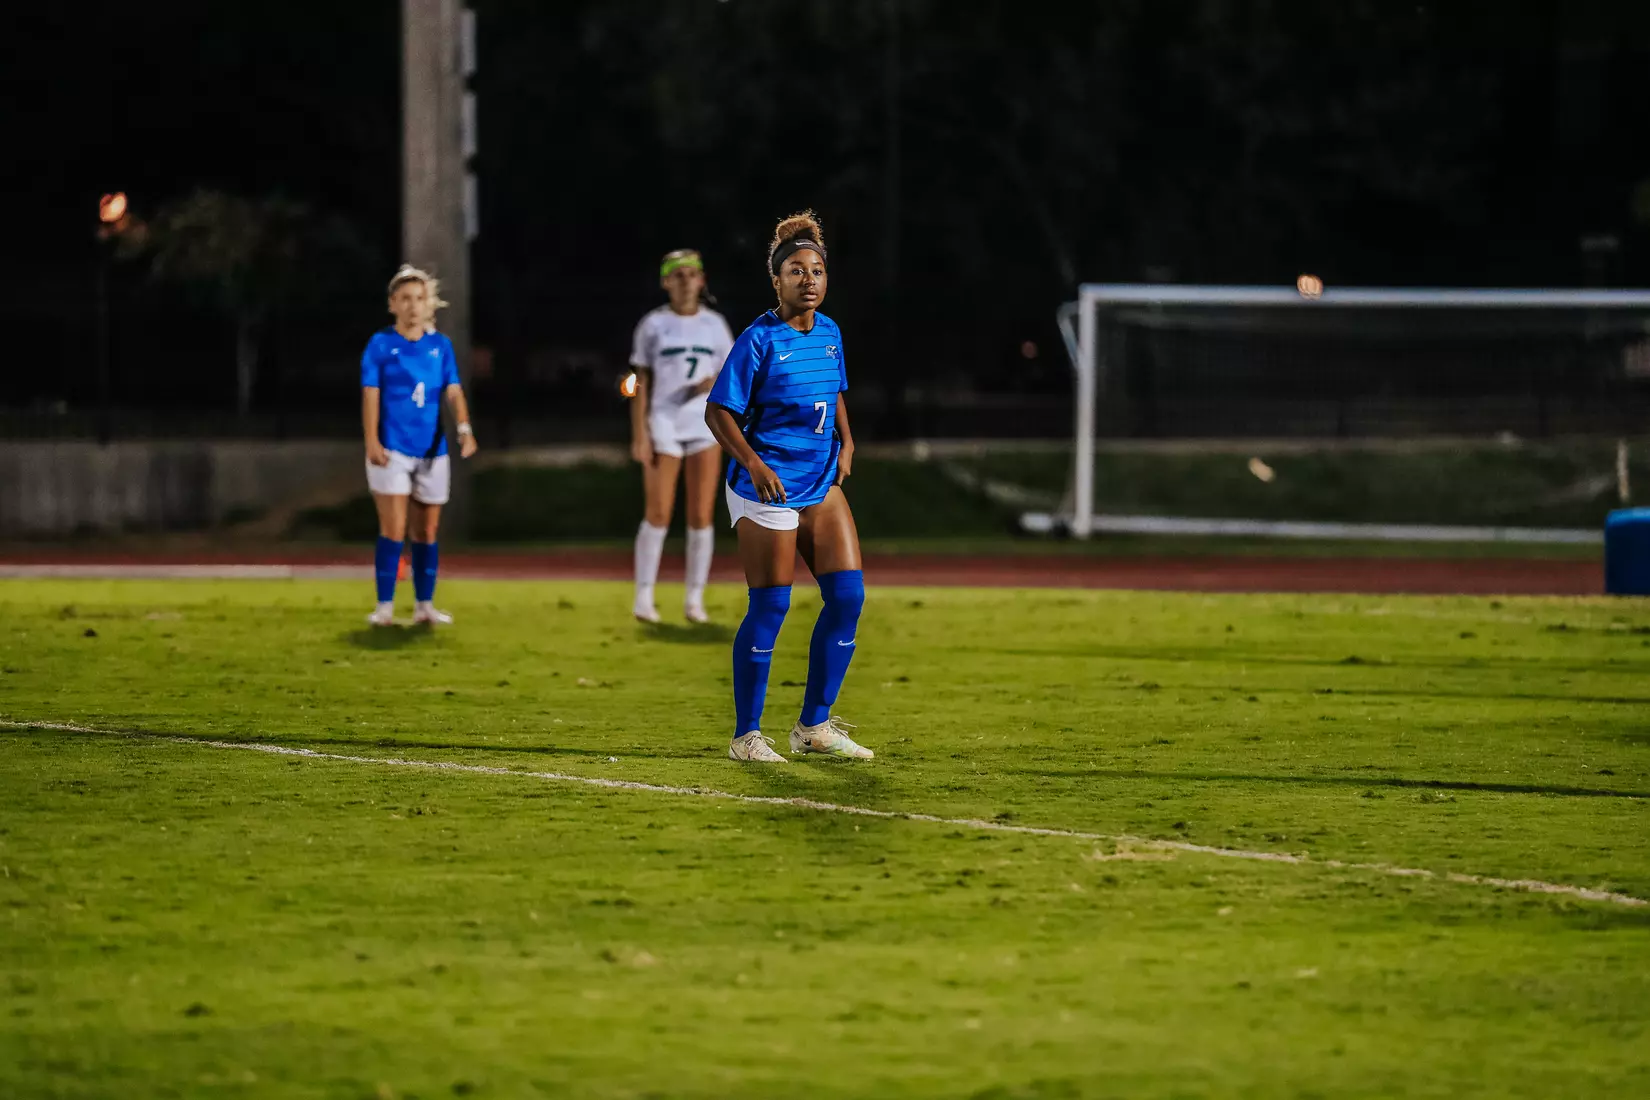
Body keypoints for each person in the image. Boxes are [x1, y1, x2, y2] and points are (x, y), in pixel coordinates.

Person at [705, 212, 873, 762]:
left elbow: (834, 392)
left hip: (819, 480)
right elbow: (717, 412)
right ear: (776, 280)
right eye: (796, 271)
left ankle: (813, 727)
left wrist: (847, 441)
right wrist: (754, 464)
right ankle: (747, 736)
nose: (809, 280)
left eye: (817, 271)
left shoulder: (830, 333)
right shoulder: (758, 339)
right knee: (772, 606)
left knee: (847, 598)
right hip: (767, 487)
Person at [360, 265, 479, 626]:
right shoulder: (381, 344)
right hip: (392, 448)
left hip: (431, 450)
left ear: (429, 303)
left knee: (426, 532)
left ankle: (424, 606)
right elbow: (371, 393)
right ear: (392, 304)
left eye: (419, 298)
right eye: (405, 299)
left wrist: (464, 428)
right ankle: (384, 607)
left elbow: (453, 391)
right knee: (394, 529)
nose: (413, 306)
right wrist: (371, 440)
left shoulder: (440, 346)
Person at [628, 249, 735, 624]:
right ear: (666, 282)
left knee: (701, 514)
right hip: (664, 421)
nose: (686, 281)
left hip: (704, 423)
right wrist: (639, 434)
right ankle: (644, 596)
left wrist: (713, 384)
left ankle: (694, 599)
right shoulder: (653, 324)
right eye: (678, 275)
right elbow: (640, 382)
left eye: (692, 274)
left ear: (702, 281)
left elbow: (732, 376)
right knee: (658, 511)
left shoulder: (714, 325)